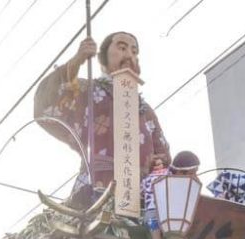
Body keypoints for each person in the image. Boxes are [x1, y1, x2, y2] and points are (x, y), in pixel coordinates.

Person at [35, 32, 170, 208]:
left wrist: (159, 163)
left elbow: (164, 155)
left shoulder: (146, 111)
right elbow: (48, 102)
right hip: (97, 189)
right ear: (103, 57)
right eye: (122, 48)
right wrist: (78, 59)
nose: (129, 55)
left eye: (134, 51)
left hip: (142, 197)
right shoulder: (89, 91)